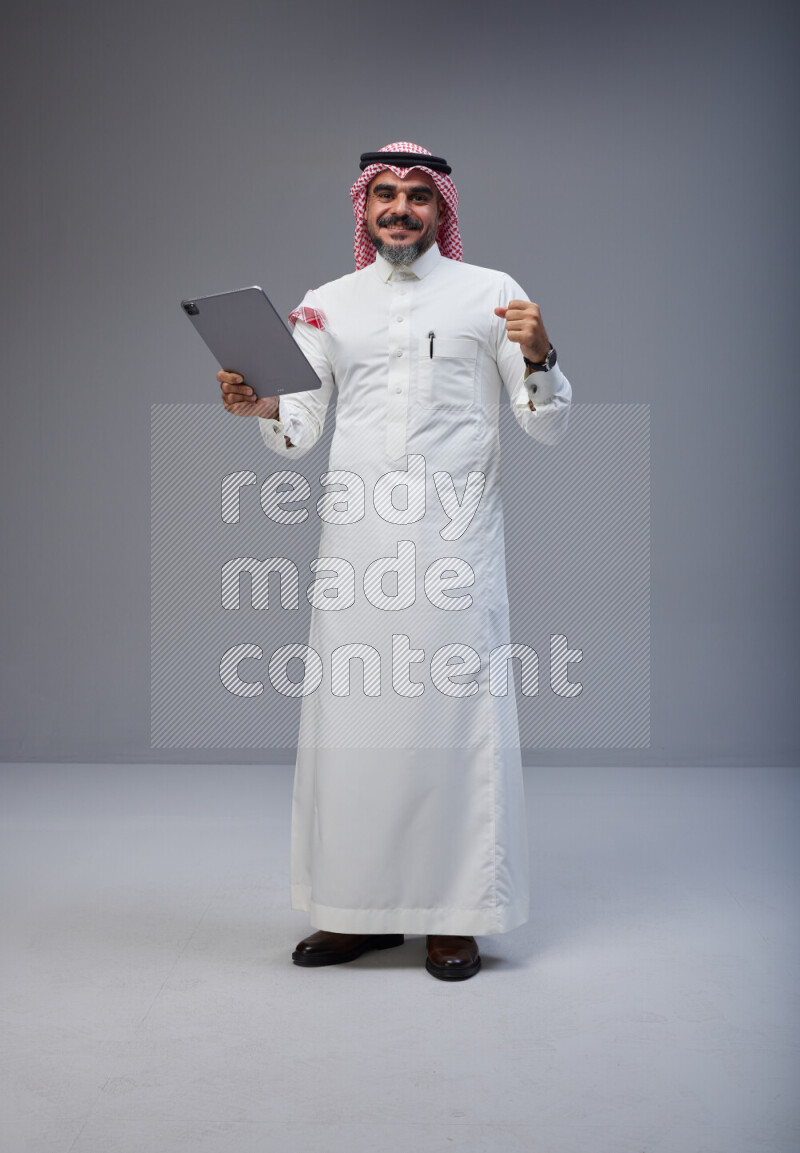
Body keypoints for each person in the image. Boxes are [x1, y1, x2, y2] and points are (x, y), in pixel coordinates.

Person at [219, 141, 572, 981]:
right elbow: (298, 426)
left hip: (456, 547)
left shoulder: (493, 293)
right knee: (356, 731)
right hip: (358, 550)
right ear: (363, 207)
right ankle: (354, 912)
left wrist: (541, 354)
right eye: (386, 194)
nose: (402, 208)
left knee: (453, 727)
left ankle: (455, 917)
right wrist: (261, 401)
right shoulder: (327, 304)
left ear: (442, 209)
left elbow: (545, 423)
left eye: (419, 195)